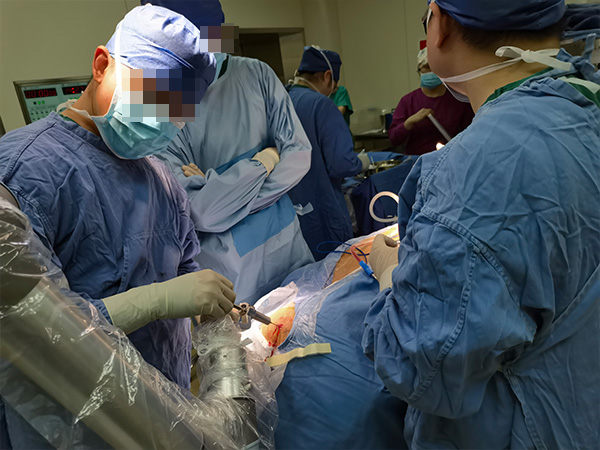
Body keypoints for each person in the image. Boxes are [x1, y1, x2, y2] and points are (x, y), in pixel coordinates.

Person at [364, 0, 600, 448]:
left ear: (440, 26)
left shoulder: (477, 169)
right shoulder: (582, 102)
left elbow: (420, 369)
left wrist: (388, 273)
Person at [0, 5, 236, 448]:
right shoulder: (22, 173)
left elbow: (186, 268)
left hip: (163, 418)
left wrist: (205, 306)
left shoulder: (162, 180)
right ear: (101, 65)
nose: (160, 119)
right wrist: (159, 300)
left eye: (176, 113)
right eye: (152, 98)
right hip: (64, 426)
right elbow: (31, 329)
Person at [141, 0, 315, 305]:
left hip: (288, 251)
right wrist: (265, 161)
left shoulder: (256, 74)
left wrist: (222, 191)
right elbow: (200, 210)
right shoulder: (161, 105)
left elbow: (299, 156)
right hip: (228, 275)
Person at [286, 46, 369, 260]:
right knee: (336, 268)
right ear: (327, 76)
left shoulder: (281, 101)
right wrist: (362, 162)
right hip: (321, 211)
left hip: (288, 214)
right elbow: (342, 164)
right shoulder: (321, 105)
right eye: (335, 84)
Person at [388, 47, 474, 155]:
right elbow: (394, 139)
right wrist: (409, 122)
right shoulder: (408, 101)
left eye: (435, 67)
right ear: (419, 71)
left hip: (449, 158)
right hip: (417, 160)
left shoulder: (458, 100)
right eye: (427, 67)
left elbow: (471, 136)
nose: (431, 71)